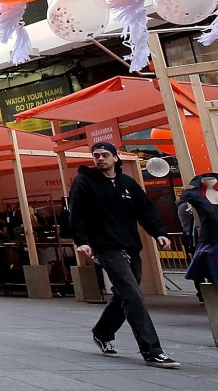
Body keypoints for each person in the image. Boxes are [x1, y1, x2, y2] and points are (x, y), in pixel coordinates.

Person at [70, 142, 179, 368]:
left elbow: (146, 211)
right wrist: (82, 241)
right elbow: (77, 213)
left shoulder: (127, 184)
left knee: (124, 294)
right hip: (106, 248)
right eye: (96, 155)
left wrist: (159, 233)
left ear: (115, 158)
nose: (100, 159)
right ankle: (152, 350)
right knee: (132, 295)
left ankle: (102, 331)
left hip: (130, 246)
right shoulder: (84, 182)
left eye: (105, 155)